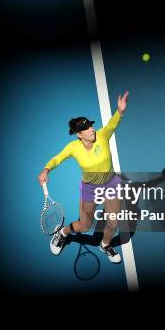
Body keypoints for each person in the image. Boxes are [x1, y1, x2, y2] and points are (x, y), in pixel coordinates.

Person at [38, 91, 129, 263]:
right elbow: (58, 158)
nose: (91, 129)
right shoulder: (73, 147)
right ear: (79, 134)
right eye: (86, 128)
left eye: (91, 126)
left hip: (111, 184)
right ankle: (62, 233)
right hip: (90, 189)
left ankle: (105, 245)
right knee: (85, 226)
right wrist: (46, 169)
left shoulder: (102, 135)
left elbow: (113, 123)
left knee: (114, 223)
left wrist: (120, 111)